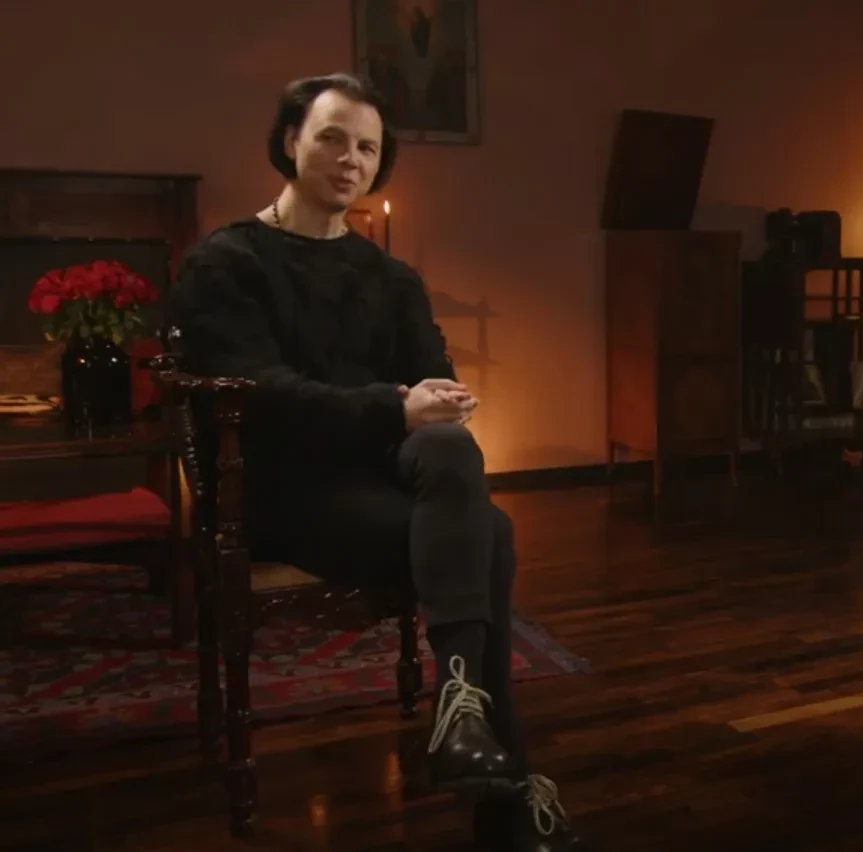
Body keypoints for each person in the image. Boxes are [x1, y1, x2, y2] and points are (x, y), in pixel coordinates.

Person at [165, 72, 580, 851]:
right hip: (278, 490)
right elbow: (264, 397)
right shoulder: (226, 262)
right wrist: (393, 408)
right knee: (487, 535)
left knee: (449, 446)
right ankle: (503, 782)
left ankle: (463, 720)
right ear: (290, 141)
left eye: (367, 147)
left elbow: (430, 380)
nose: (350, 159)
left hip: (378, 479)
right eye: (332, 138)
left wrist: (439, 402)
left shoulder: (390, 277)